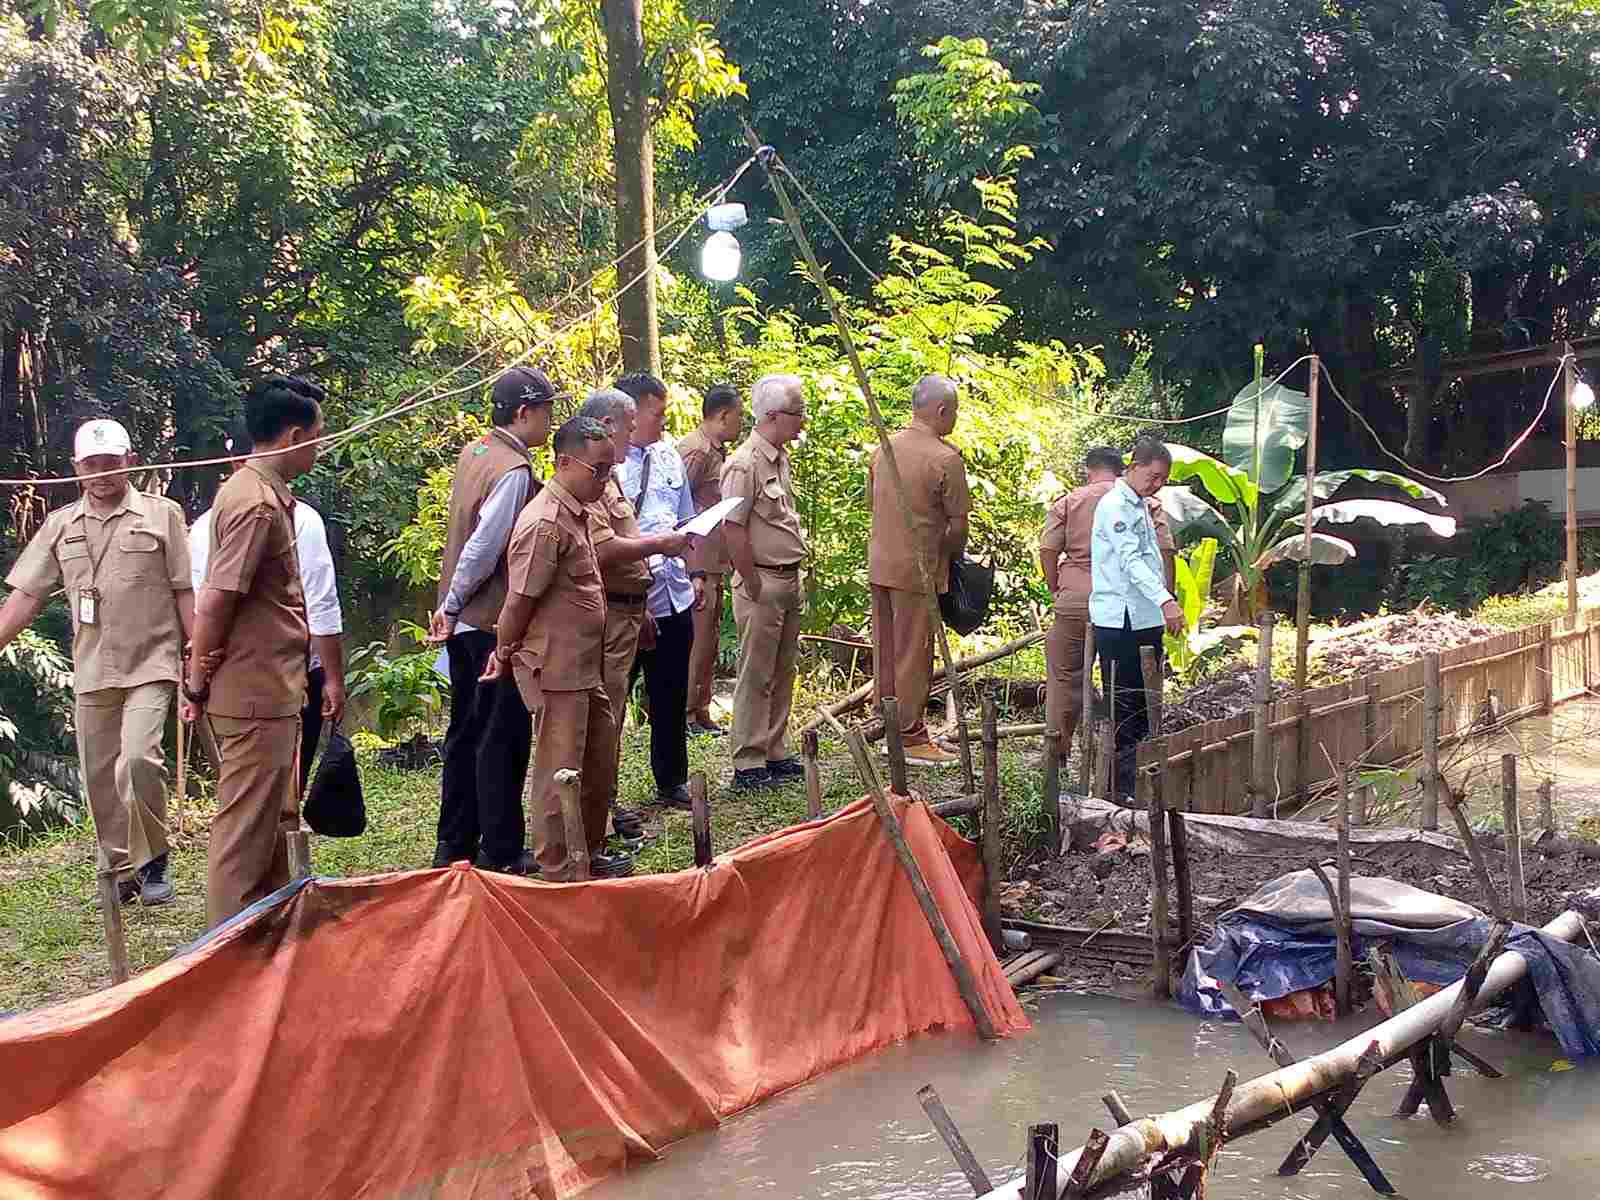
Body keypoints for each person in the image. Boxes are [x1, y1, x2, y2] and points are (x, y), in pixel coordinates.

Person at [0, 418, 192, 906]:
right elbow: (26, 596)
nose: (101, 474)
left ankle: (153, 862)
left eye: (111, 463)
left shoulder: (162, 514)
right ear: (76, 468)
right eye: (91, 465)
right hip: (92, 667)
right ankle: (120, 867)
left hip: (152, 661)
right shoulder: (61, 524)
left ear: (130, 462)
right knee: (99, 775)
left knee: (139, 758)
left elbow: (184, 590)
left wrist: (200, 652)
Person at [184, 376, 334, 926]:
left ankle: (267, 930)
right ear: (294, 436)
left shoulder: (260, 494)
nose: (320, 448)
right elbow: (217, 598)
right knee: (245, 829)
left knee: (272, 820)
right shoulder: (255, 504)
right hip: (253, 689)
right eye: (318, 437)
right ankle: (226, 946)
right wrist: (196, 681)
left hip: (271, 684)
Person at [482, 416, 628, 878]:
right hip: (556, 667)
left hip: (584, 665)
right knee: (560, 769)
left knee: (598, 756)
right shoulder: (544, 522)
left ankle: (588, 850)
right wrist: (504, 651)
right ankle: (558, 866)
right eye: (597, 470)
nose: (604, 480)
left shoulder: (577, 512)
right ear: (564, 463)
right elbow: (518, 601)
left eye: (609, 470)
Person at [426, 366, 556, 874]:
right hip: (485, 621)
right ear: (524, 413)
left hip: (463, 620)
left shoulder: (477, 450)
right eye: (546, 411)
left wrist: (448, 605)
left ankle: (454, 842)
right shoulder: (513, 470)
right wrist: (455, 602)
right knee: (501, 736)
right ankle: (500, 848)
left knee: (465, 733)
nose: (550, 421)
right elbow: (484, 546)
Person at [190, 424, 345, 791]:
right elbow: (320, 604)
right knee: (271, 790)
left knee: (250, 785)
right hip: (283, 676)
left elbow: (200, 608)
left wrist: (198, 672)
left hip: (227, 673)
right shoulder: (281, 514)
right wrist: (333, 677)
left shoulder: (207, 522)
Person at [575, 388, 689, 843]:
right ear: (608, 426)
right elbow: (602, 550)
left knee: (621, 708)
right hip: (607, 612)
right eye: (628, 426)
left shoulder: (612, 477)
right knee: (602, 717)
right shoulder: (589, 482)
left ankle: (605, 804)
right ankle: (596, 814)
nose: (634, 433)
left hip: (637, 605)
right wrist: (659, 545)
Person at [867, 373, 972, 768]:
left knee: (887, 647)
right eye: (955, 411)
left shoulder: (883, 449)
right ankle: (910, 735)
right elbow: (958, 526)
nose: (955, 418)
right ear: (942, 411)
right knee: (914, 652)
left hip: (881, 564)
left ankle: (887, 719)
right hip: (918, 570)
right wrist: (947, 553)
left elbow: (873, 504)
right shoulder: (945, 459)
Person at [614, 372, 705, 810]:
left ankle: (672, 779)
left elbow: (685, 518)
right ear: (630, 413)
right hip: (628, 599)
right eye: (657, 413)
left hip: (673, 592)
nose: (664, 421)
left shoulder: (670, 456)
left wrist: (697, 571)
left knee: (671, 691)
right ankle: (603, 793)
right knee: (613, 699)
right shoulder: (607, 465)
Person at [721, 374, 808, 792]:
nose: (803, 421)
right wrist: (751, 581)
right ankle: (749, 760)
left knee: (782, 670)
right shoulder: (744, 464)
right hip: (762, 581)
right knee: (756, 673)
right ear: (773, 415)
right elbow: (732, 527)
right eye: (797, 412)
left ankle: (775, 749)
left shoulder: (779, 458)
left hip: (788, 578)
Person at [1089, 437, 1184, 797]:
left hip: (1144, 617)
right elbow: (1130, 562)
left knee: (1146, 703)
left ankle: (1141, 783)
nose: (1157, 484)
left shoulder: (1139, 504)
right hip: (1120, 619)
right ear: (1134, 467)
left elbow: (1151, 560)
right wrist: (1166, 600)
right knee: (1124, 704)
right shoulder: (1115, 505)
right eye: (1153, 476)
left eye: (1163, 479)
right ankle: (1120, 787)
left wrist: (1162, 603)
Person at [1040, 446, 1125, 766]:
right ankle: (1123, 754)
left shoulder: (1068, 502)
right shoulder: (1139, 501)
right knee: (1123, 676)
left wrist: (1056, 587)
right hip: (1122, 602)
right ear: (1120, 470)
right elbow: (1165, 552)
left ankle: (1057, 752)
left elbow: (1048, 549)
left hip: (1076, 599)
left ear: (1089, 470)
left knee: (1064, 677)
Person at [676, 383, 743, 737]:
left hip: (715, 558)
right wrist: (690, 565)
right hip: (697, 558)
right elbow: (679, 506)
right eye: (739, 416)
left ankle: (700, 707)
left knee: (710, 638)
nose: (741, 423)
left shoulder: (716, 450)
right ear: (723, 415)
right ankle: (685, 712)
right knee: (697, 638)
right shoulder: (696, 451)